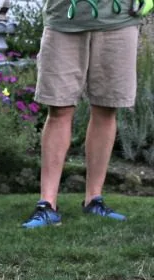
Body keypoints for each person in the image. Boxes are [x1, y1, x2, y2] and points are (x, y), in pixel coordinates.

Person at [21, 0, 150, 228]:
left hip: (118, 22)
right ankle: (47, 204)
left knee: (106, 107)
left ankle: (94, 199)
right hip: (64, 20)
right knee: (59, 108)